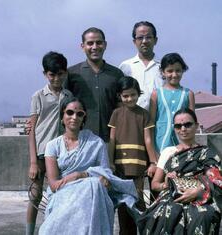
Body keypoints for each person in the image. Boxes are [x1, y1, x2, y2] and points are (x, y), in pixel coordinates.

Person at [38, 97, 139, 235]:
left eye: (79, 114)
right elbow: (55, 185)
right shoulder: (52, 146)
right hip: (63, 196)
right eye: (69, 112)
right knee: (92, 185)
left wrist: (81, 175)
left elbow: (105, 179)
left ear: (84, 118)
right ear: (62, 117)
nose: (74, 117)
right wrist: (81, 181)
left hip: (92, 197)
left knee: (95, 186)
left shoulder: (96, 143)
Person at [138, 108, 222, 235]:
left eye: (187, 124)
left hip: (202, 196)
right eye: (178, 126)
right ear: (174, 128)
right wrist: (166, 183)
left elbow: (216, 180)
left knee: (204, 215)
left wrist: (198, 191)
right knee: (167, 213)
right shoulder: (168, 152)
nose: (183, 129)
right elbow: (154, 185)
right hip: (172, 196)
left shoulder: (208, 152)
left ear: (196, 126)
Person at [26, 51, 73, 235]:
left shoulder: (69, 96)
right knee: (35, 195)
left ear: (65, 73)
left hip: (61, 152)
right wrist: (32, 162)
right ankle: (29, 232)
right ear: (45, 74)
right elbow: (31, 129)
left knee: (61, 193)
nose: (56, 78)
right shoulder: (38, 96)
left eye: (60, 74)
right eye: (52, 74)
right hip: (40, 152)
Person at [108, 76, 158, 235]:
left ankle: (142, 230)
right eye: (125, 96)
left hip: (138, 165)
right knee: (123, 203)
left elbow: (148, 140)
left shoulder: (144, 114)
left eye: (133, 95)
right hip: (120, 166)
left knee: (137, 200)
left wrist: (153, 162)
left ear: (138, 94)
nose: (129, 99)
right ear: (120, 96)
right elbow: (112, 140)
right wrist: (110, 162)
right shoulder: (116, 113)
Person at [67, 27, 124, 142]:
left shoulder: (116, 74)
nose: (94, 47)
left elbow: (122, 107)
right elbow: (61, 106)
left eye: (99, 43)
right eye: (90, 43)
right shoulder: (72, 74)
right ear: (82, 46)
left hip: (110, 140)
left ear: (105, 45)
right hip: (79, 139)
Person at [149, 52, 195, 155]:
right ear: (162, 72)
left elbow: (192, 124)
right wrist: (153, 155)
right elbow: (150, 126)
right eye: (170, 71)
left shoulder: (188, 94)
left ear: (183, 71)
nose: (174, 75)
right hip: (160, 146)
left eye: (178, 70)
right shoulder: (156, 94)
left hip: (184, 147)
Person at [119, 21, 163, 111]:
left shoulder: (164, 67)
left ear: (155, 40)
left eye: (148, 37)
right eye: (140, 38)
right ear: (134, 41)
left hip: (159, 121)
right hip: (132, 120)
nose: (144, 41)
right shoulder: (125, 66)